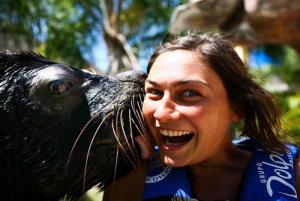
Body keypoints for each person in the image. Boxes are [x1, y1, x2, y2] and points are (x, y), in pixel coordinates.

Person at [103, 32, 300, 201]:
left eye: (189, 93)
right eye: (154, 92)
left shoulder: (292, 174)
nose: (161, 113)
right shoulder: (132, 179)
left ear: (237, 108)